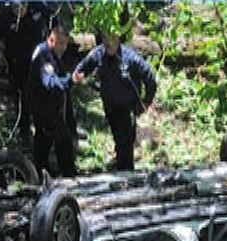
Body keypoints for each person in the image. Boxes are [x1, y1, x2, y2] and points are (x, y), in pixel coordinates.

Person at [72, 29, 156, 170]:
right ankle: (119, 161)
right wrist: (78, 76)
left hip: (128, 108)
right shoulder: (98, 54)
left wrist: (146, 101)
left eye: (112, 39)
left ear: (118, 39)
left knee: (127, 143)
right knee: (117, 136)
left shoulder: (131, 58)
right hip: (110, 106)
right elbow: (82, 68)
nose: (109, 43)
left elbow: (150, 78)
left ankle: (127, 172)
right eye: (105, 39)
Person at [0, 2, 50, 146]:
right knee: (22, 96)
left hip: (38, 60)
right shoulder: (5, 17)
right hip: (16, 63)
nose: (19, 11)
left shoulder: (38, 8)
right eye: (16, 7)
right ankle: (24, 130)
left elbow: (53, 24)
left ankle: (50, 127)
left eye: (22, 6)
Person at [29, 19, 76, 176]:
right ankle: (50, 178)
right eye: (60, 43)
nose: (63, 48)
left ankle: (61, 175)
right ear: (51, 39)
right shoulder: (44, 55)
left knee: (61, 144)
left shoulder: (52, 54)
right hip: (44, 111)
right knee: (49, 146)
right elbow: (50, 83)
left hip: (52, 111)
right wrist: (70, 80)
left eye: (65, 44)